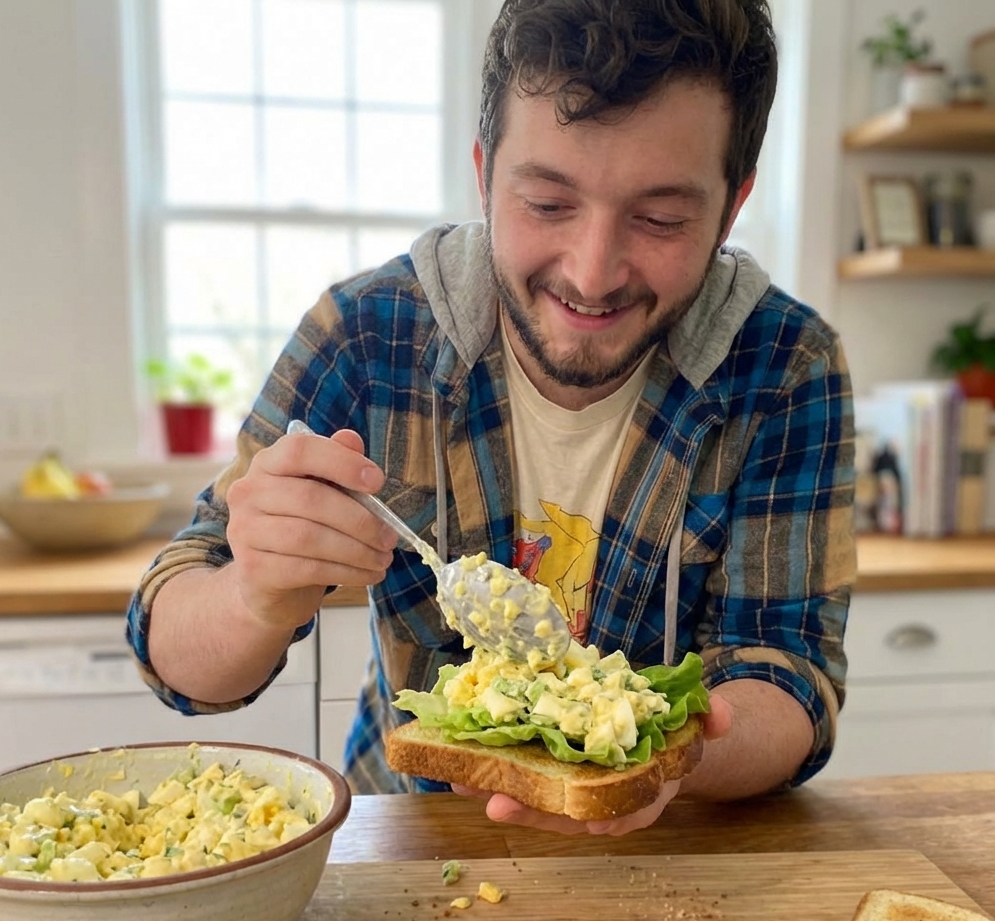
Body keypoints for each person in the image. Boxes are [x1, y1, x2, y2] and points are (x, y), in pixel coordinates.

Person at [127, 0, 855, 837]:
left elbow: (791, 675)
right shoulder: (368, 334)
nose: (592, 273)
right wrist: (253, 593)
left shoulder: (786, 365)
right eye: (547, 203)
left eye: (661, 219)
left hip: (675, 854)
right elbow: (176, 661)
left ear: (731, 209)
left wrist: (655, 755)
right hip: (406, 837)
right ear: (483, 174)